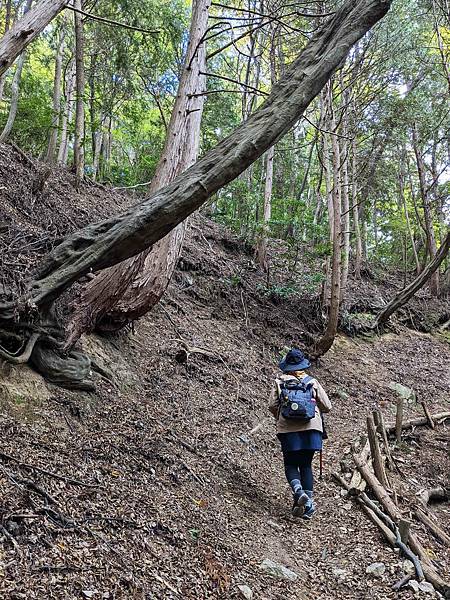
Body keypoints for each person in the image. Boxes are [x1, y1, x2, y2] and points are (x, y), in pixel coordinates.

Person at [269, 348, 331, 519]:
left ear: (287, 366)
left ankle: (298, 491)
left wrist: (284, 416)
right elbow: (327, 406)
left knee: (290, 465)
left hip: (288, 430)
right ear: (302, 365)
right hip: (312, 430)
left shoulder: (279, 382)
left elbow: (272, 406)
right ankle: (308, 505)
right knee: (305, 465)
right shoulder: (312, 382)